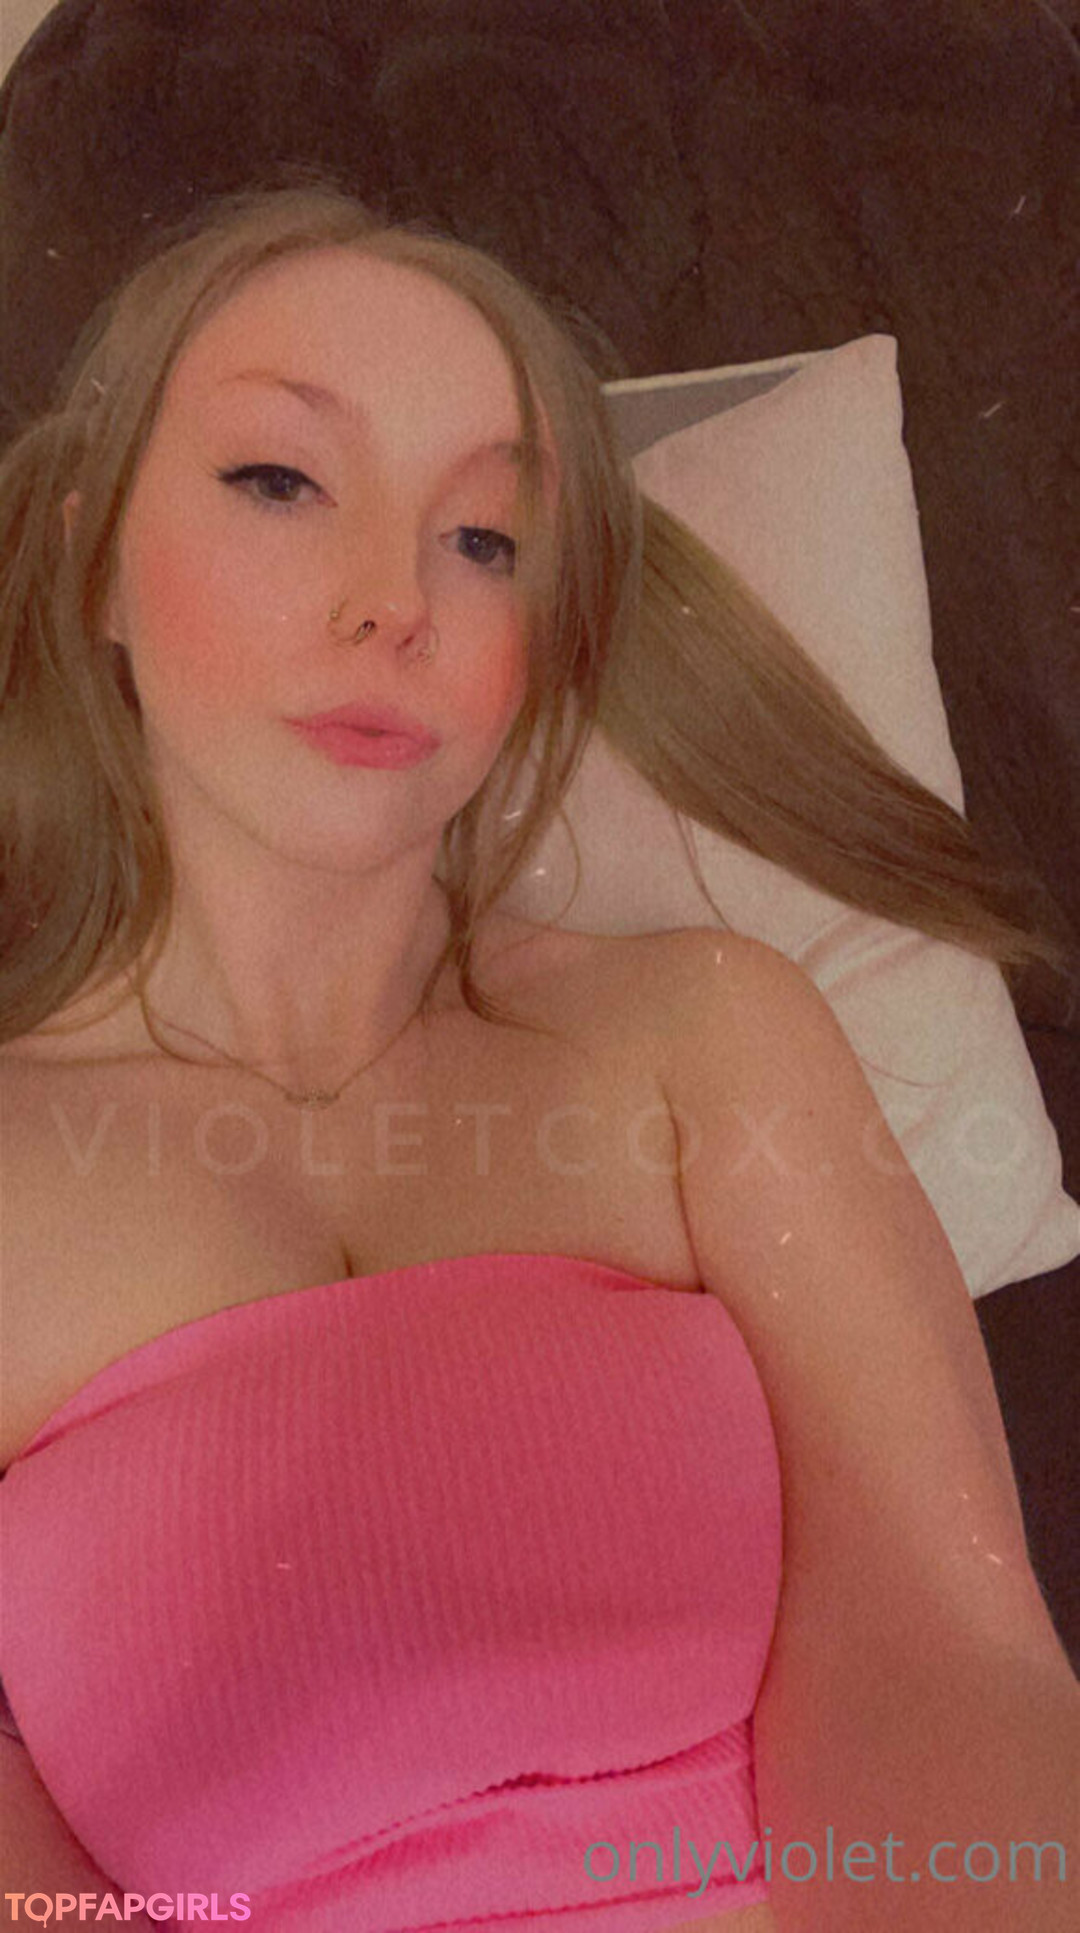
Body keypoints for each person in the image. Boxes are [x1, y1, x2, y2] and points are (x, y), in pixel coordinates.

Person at [0, 183, 1076, 1933]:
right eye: (280, 480)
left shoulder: (702, 1039)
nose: (395, 602)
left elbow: (950, 1657)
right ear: (91, 560)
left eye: (484, 540)